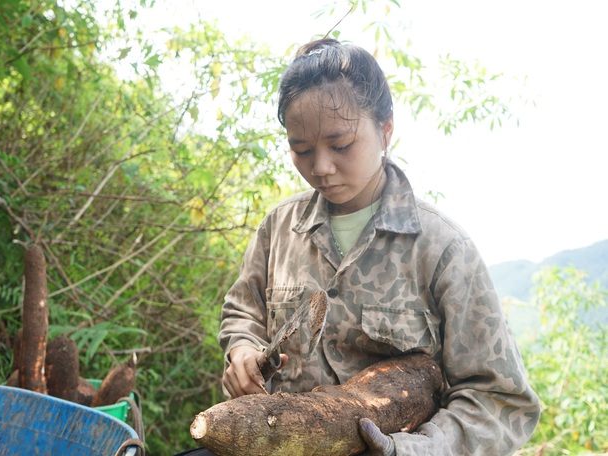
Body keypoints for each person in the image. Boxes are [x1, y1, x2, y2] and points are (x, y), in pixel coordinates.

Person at [217, 38, 540, 455]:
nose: (321, 167)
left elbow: (500, 402)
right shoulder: (278, 230)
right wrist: (242, 350)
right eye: (301, 150)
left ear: (385, 128)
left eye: (340, 145)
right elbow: (243, 310)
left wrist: (412, 449)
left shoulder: (441, 250)